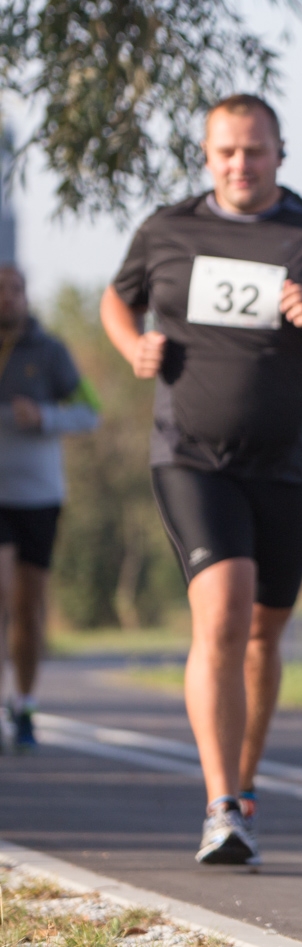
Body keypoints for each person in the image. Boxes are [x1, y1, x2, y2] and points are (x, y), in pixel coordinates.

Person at [100, 93, 302, 866]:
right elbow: (115, 297)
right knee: (223, 613)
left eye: (254, 151)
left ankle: (244, 784)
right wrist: (134, 344)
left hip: (290, 464)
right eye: (226, 151)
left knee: (264, 632)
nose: (240, 164)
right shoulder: (167, 230)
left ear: (279, 154)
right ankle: (220, 803)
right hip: (191, 455)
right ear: (206, 154)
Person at [0, 265, 100, 751]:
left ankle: (24, 703)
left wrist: (44, 416)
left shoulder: (50, 351)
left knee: (26, 604)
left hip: (38, 495)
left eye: (15, 289)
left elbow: (91, 411)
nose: (7, 298)